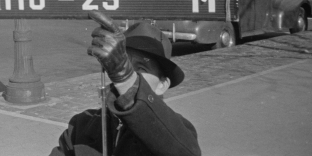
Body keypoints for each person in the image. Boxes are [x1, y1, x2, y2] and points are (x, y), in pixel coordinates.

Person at [50, 11, 201, 156]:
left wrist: (126, 79)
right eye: (124, 62)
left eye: (141, 68)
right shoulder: (81, 125)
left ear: (162, 84)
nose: (130, 71)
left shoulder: (177, 130)